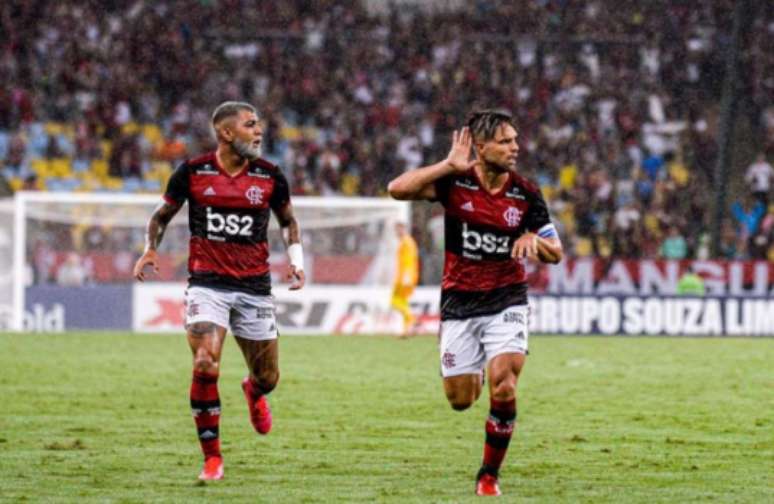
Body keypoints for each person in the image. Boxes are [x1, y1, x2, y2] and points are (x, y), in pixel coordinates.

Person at [388, 109, 563, 497]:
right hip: (460, 304)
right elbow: (396, 189)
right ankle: (475, 371)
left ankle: (488, 475)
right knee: (461, 400)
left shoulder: (527, 194)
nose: (515, 148)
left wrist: (536, 243)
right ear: (480, 148)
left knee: (505, 388)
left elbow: (557, 251)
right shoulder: (455, 184)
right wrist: (446, 165)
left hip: (507, 300)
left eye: (515, 140)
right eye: (505, 141)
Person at [132, 101, 305, 481]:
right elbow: (161, 217)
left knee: (268, 378)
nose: (259, 131)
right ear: (226, 133)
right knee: (205, 362)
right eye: (250, 125)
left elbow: (289, 221)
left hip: (255, 290)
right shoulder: (192, 172)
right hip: (207, 285)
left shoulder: (270, 175)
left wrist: (296, 258)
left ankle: (253, 391)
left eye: (259, 125)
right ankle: (212, 458)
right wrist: (150, 249)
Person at [391, 221, 419, 336]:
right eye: (396, 229)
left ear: (403, 229)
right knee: (403, 301)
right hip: (403, 276)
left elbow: (410, 260)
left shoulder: (407, 242)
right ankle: (407, 329)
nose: (397, 232)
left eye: (398, 229)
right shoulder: (405, 242)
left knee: (394, 301)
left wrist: (407, 276)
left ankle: (411, 319)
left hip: (405, 277)